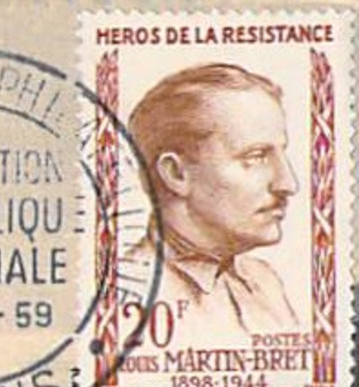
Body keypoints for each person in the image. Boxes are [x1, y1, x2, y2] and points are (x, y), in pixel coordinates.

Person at [124, 63, 301, 344]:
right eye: (255, 156)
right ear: (176, 174)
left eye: (280, 154)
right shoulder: (123, 293)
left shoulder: (264, 283)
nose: (288, 184)